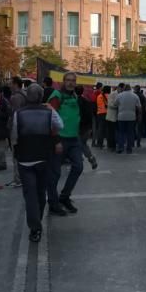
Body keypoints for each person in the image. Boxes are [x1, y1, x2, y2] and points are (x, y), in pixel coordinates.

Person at [12, 84, 63, 242]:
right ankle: (37, 220)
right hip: (43, 157)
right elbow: (60, 126)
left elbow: (14, 135)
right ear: (41, 96)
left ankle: (35, 228)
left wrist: (16, 151)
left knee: (30, 194)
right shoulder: (48, 112)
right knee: (41, 192)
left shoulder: (18, 113)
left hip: (24, 158)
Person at [48, 72, 84, 215]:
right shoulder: (57, 95)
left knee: (78, 167)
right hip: (60, 140)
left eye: (73, 81)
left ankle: (64, 197)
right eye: (68, 80)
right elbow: (50, 119)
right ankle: (53, 203)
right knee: (55, 173)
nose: (70, 83)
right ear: (63, 81)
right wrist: (56, 141)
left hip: (74, 139)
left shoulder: (75, 95)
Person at [74, 85, 98, 169]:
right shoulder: (86, 102)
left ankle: (82, 159)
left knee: (79, 144)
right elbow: (90, 115)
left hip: (78, 127)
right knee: (82, 144)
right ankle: (89, 158)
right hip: (86, 127)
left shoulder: (75, 102)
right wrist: (90, 127)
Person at [115, 82, 141, 154]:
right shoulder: (135, 96)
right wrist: (139, 115)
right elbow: (139, 107)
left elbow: (115, 104)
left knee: (121, 133)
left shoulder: (119, 95)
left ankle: (120, 147)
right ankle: (129, 149)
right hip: (131, 117)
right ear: (130, 88)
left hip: (121, 117)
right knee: (130, 133)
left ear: (124, 88)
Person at [94, 84, 109, 148]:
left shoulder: (99, 96)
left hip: (99, 113)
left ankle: (99, 143)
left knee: (100, 129)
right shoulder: (109, 96)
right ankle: (109, 143)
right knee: (108, 129)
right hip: (107, 113)